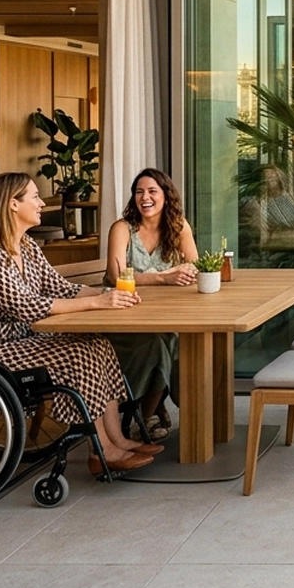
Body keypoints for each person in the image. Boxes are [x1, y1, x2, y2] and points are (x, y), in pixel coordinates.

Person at [0, 173, 159, 473]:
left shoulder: (27, 246)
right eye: (34, 196)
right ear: (12, 204)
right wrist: (96, 303)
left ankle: (117, 439)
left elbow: (61, 288)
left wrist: (109, 293)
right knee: (77, 354)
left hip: (16, 340)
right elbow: (25, 306)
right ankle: (102, 450)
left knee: (97, 344)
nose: (42, 202)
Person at [105, 168, 199, 436]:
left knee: (185, 339)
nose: (144, 197)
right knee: (161, 342)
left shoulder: (179, 227)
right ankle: (145, 418)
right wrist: (164, 278)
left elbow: (194, 267)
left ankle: (181, 409)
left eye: (152, 191)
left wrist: (181, 274)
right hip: (121, 317)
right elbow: (116, 276)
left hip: (163, 314)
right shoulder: (122, 228)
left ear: (166, 196)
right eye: (139, 192)